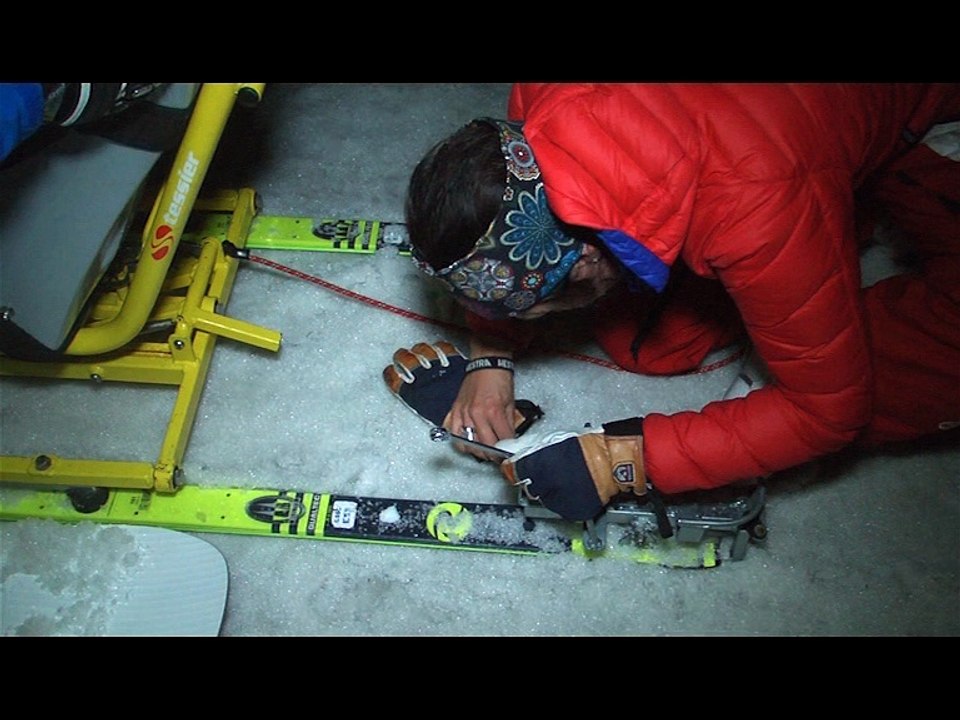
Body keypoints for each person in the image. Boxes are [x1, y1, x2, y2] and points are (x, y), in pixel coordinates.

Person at [402, 83, 960, 522]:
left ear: (588, 260)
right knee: (649, 345)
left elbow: (829, 411)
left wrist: (624, 460)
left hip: (928, 124)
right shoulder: (535, 110)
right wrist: (490, 358)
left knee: (885, 378)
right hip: (776, 147)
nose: (515, 325)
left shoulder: (756, 209)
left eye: (528, 312)